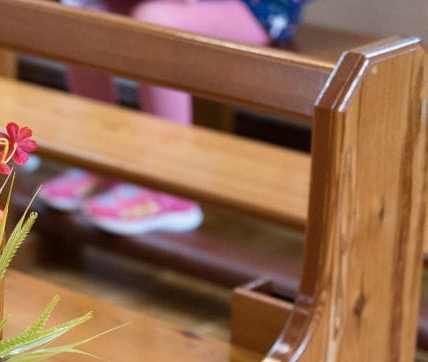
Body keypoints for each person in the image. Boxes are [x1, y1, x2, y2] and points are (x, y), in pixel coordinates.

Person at [40, 0, 312, 235]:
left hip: (257, 9)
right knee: (83, 14)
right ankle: (102, 162)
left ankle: (171, 188)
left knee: (156, 23)